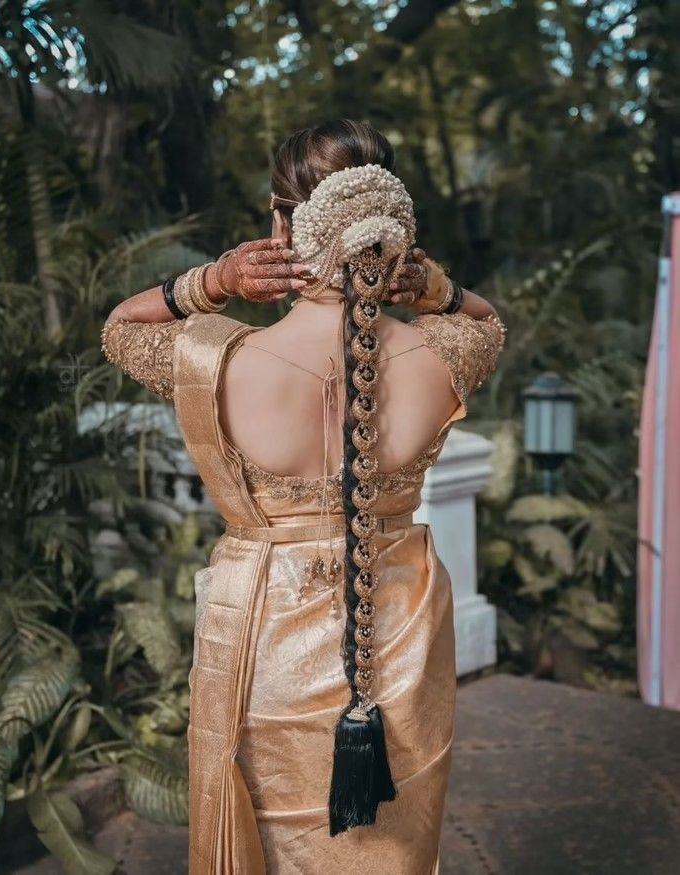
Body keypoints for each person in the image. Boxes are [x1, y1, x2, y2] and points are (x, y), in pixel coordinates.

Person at [102, 119, 506, 875]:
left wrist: (211, 281)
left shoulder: (219, 361)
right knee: (393, 842)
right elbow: (486, 322)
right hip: (400, 638)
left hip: (266, 639)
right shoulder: (443, 352)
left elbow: (121, 327)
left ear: (281, 224)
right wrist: (439, 288)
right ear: (394, 232)